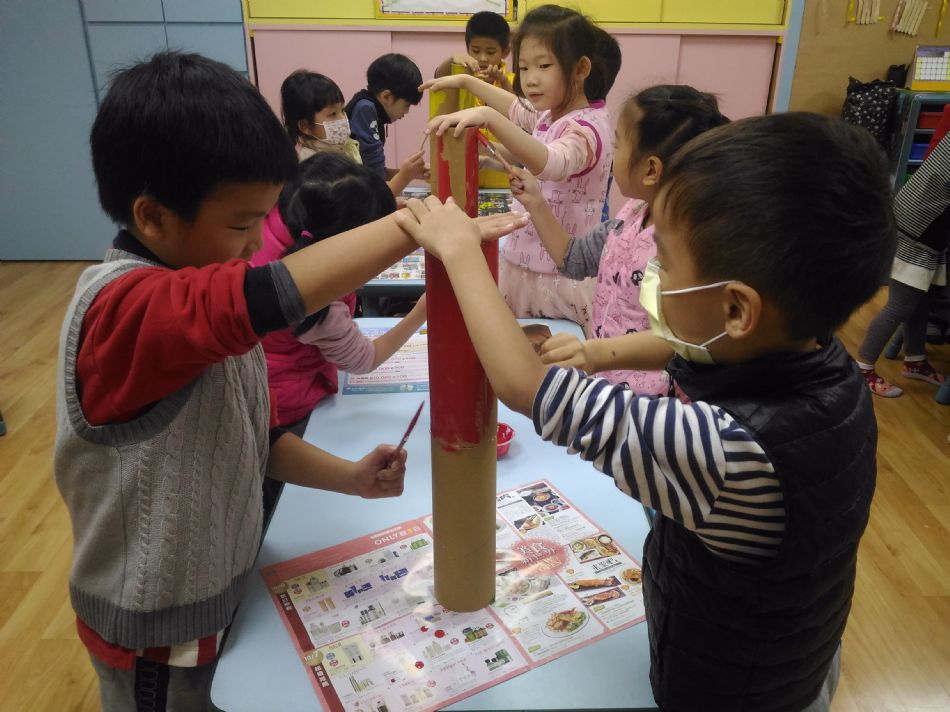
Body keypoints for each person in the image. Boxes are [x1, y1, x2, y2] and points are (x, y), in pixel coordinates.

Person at [54, 50, 525, 710]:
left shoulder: (196, 299)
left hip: (223, 593)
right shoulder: (124, 311)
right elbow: (264, 295)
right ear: (153, 217)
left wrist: (349, 478)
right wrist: (414, 227)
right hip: (157, 634)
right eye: (242, 226)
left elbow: (251, 437)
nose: (256, 246)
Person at [394, 112, 896, 712]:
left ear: (737, 309)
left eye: (665, 261)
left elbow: (524, 386)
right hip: (796, 651)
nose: (651, 274)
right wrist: (597, 352)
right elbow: (686, 344)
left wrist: (460, 253)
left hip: (728, 693)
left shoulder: (727, 451)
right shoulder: (823, 362)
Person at [509, 85, 728, 394]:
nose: (613, 154)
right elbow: (574, 259)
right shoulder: (633, 214)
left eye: (618, 145)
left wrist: (595, 353)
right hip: (605, 381)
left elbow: (683, 339)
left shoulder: (687, 245)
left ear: (651, 169)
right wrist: (535, 202)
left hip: (651, 402)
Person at [421, 4, 621, 332]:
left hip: (558, 282)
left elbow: (550, 163)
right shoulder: (553, 113)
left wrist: (488, 117)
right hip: (524, 267)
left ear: (581, 68)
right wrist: (467, 83)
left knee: (545, 356)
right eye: (524, 68)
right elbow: (516, 108)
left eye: (544, 66)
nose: (530, 79)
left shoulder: (587, 129)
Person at [253, 152, 427, 432]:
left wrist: (376, 215)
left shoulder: (272, 218)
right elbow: (365, 360)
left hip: (260, 380)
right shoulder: (316, 299)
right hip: (284, 408)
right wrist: (420, 313)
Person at [856, 131, 949, 396]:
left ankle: (915, 360)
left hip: (920, 219)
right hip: (920, 225)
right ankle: (862, 369)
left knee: (920, 299)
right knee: (902, 303)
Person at [281, 69, 424, 196]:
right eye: (332, 114)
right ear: (305, 126)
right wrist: (404, 176)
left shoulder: (345, 147)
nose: (343, 118)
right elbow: (368, 204)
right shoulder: (315, 168)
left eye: (342, 110)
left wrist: (410, 172)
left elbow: (368, 181)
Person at [432, 10, 515, 188]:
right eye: (475, 51)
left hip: (502, 181)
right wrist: (452, 59)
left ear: (505, 51)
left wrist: (503, 82)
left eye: (490, 52)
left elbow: (519, 113)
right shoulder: (462, 78)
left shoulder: (512, 81)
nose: (482, 58)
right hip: (465, 178)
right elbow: (440, 76)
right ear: (467, 48)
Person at [345, 53, 426, 184]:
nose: (406, 112)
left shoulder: (371, 108)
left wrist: (411, 173)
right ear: (386, 97)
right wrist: (405, 176)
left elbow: (376, 171)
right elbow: (374, 171)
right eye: (406, 105)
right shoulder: (365, 109)